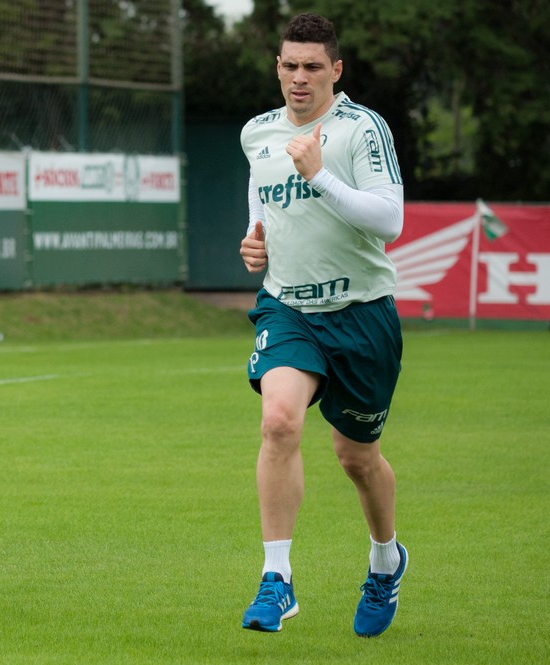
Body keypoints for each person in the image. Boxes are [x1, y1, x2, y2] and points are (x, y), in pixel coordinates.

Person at [237, 13, 407, 637]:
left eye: (312, 66)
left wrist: (319, 174)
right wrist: (252, 245)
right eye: (289, 65)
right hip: (288, 308)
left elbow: (389, 221)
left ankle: (386, 561)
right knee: (279, 419)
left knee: (357, 458)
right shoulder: (258, 133)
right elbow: (260, 210)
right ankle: (276, 580)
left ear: (336, 71)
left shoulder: (360, 129)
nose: (299, 78)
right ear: (277, 68)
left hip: (362, 314)